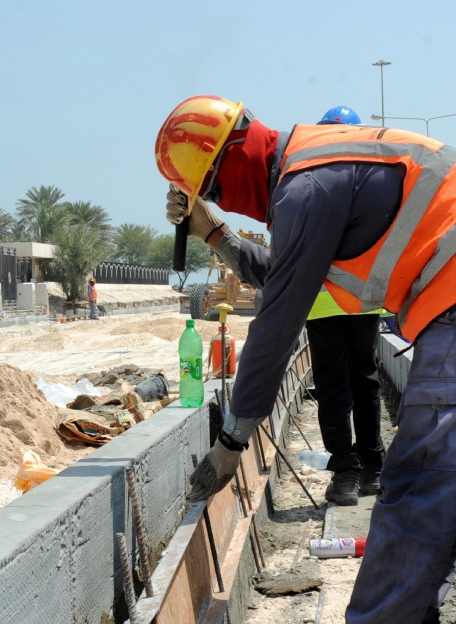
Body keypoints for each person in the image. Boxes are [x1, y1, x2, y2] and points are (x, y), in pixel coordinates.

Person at [155, 94, 456, 623]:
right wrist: (215, 234)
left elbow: (276, 320)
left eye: (216, 189)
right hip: (445, 307)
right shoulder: (309, 170)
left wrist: (233, 440)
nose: (223, 200)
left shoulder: (306, 185)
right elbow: (287, 273)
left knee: (418, 485)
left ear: (235, 151)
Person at [304, 106, 385, 506]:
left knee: (335, 385)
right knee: (364, 379)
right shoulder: (374, 178)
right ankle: (372, 468)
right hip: (364, 298)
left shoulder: (309, 177)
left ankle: (346, 472)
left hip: (322, 301)